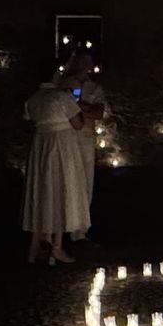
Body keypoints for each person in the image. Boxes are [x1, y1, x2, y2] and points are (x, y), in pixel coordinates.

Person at [22, 59, 90, 264]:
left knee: (42, 192)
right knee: (60, 190)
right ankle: (57, 246)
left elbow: (29, 118)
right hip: (61, 148)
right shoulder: (61, 97)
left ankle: (35, 245)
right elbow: (78, 123)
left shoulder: (33, 99)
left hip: (41, 148)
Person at [63, 50, 105, 243]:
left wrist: (83, 108)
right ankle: (61, 226)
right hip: (65, 137)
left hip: (85, 138)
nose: (85, 66)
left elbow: (99, 111)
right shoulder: (63, 84)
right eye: (83, 62)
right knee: (65, 180)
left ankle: (80, 230)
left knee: (86, 182)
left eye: (89, 62)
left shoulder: (94, 87)